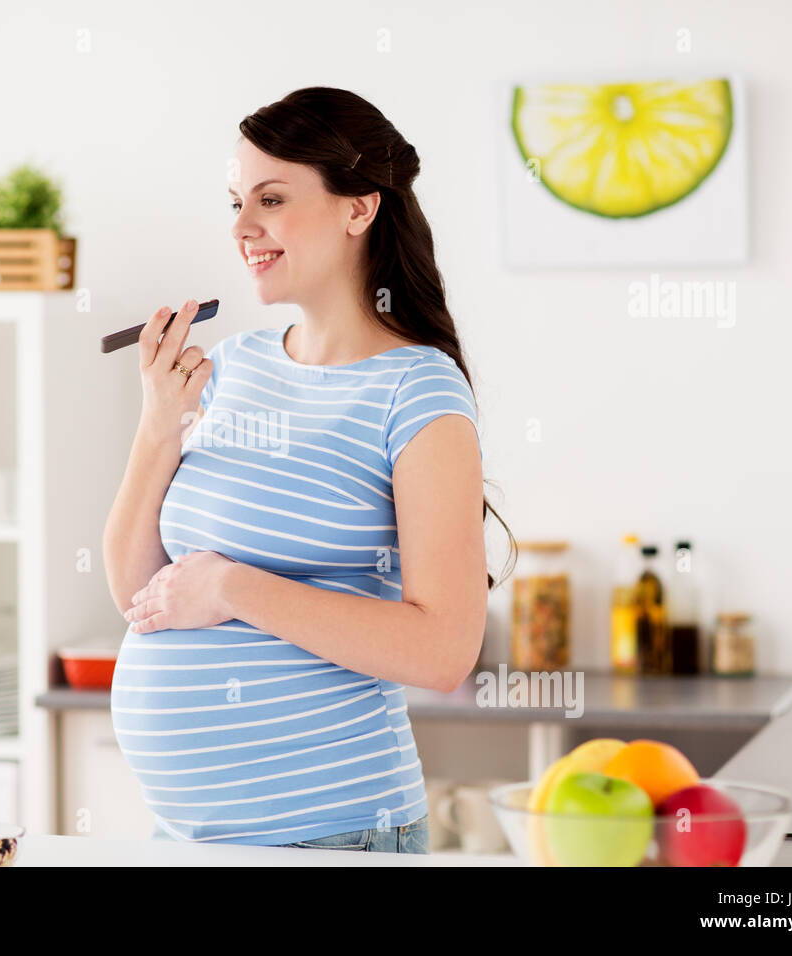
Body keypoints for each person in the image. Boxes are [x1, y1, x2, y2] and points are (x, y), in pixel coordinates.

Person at [102, 87, 514, 852]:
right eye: (236, 201)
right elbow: (138, 594)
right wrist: (158, 426)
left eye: (271, 198)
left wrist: (231, 585)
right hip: (184, 839)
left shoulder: (417, 390)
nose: (242, 227)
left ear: (359, 208)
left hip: (333, 839)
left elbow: (444, 650)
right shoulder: (231, 367)